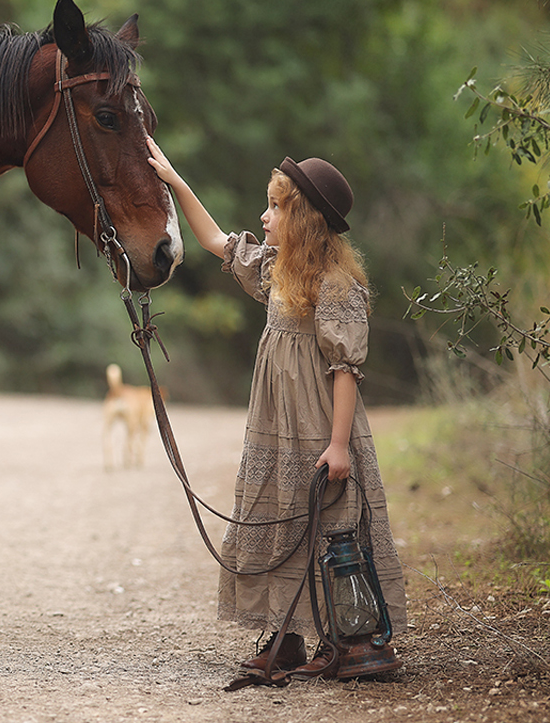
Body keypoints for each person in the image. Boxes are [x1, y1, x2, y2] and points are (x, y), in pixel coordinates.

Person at [146, 137, 407, 678]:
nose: (263, 218)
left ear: (303, 217)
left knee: (329, 523)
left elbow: (344, 370)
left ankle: (349, 638)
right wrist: (174, 180)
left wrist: (338, 445)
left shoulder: (337, 287)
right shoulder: (276, 272)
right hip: (275, 427)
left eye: (274, 207)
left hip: (317, 427)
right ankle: (284, 635)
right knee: (276, 518)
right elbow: (216, 239)